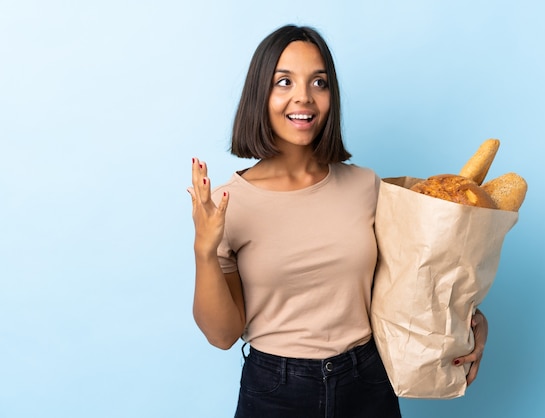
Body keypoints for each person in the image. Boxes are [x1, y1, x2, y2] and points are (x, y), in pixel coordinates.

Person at [187, 24, 489, 418]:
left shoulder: (365, 186)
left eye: (319, 82)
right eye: (284, 81)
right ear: (259, 94)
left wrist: (472, 322)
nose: (304, 97)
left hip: (367, 381)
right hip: (277, 390)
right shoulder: (230, 203)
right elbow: (222, 335)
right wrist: (204, 251)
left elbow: (417, 278)